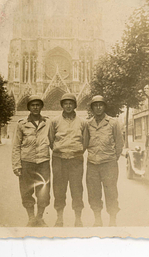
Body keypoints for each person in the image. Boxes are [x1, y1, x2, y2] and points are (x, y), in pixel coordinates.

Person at [49, 93, 88, 227]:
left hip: (76, 159)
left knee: (77, 189)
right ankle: (59, 218)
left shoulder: (83, 122)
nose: (68, 105)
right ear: (62, 105)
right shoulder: (54, 121)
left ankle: (78, 218)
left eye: (71, 103)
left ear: (75, 105)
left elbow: (85, 141)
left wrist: (75, 152)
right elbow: (51, 140)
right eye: (65, 103)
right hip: (59, 159)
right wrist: (60, 149)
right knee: (59, 189)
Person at [12, 95, 50, 227]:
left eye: (38, 105)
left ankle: (40, 218)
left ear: (41, 107)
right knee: (26, 191)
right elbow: (16, 145)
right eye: (33, 105)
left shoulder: (48, 122)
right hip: (26, 162)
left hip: (43, 161)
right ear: (28, 107)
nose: (35, 107)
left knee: (44, 190)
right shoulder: (22, 124)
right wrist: (17, 165)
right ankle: (31, 218)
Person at [86, 95, 124, 227]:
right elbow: (84, 142)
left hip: (109, 164)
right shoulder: (88, 124)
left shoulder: (113, 123)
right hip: (92, 164)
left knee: (111, 192)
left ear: (104, 106)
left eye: (100, 105)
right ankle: (97, 219)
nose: (98, 107)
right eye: (95, 105)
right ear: (92, 108)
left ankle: (112, 219)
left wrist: (113, 158)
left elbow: (119, 143)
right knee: (93, 193)